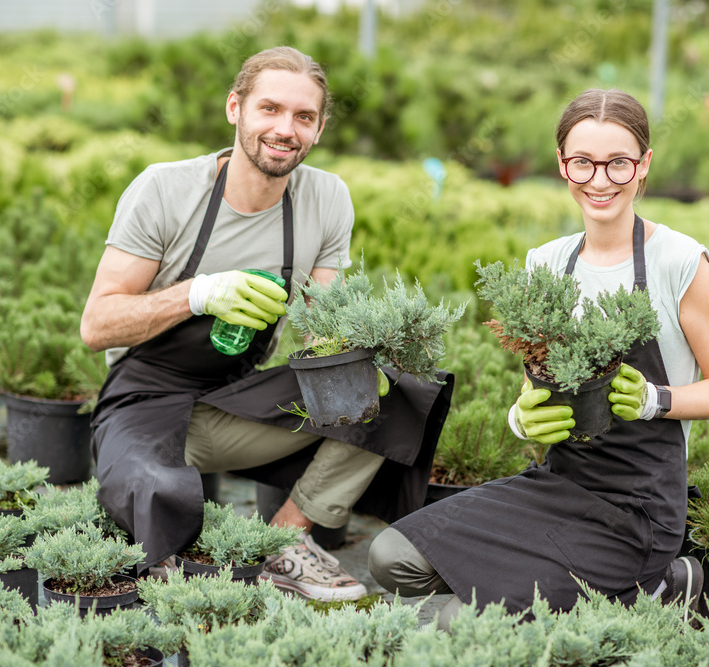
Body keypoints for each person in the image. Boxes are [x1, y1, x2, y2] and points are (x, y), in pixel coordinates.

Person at [81, 46, 453, 601]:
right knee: (155, 494)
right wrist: (200, 293)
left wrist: (365, 348)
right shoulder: (165, 190)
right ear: (235, 108)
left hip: (235, 400)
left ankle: (285, 543)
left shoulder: (325, 199)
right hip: (145, 399)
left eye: (304, 117)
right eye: (270, 109)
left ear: (320, 128)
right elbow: (97, 324)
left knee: (395, 393)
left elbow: (323, 330)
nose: (286, 129)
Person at [369, 88, 709, 626]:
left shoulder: (680, 263)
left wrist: (652, 400)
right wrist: (521, 418)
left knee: (459, 622)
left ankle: (657, 584)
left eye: (617, 163)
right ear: (562, 166)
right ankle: (636, 592)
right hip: (558, 486)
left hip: (638, 511)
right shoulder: (547, 263)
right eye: (583, 163)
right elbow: (536, 387)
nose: (599, 180)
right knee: (391, 558)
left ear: (643, 166)